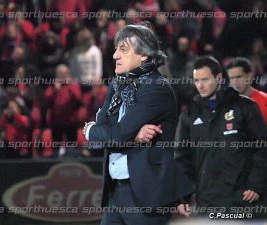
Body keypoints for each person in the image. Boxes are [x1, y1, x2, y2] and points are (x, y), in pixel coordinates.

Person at [83, 24, 194, 225]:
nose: (115, 55)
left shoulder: (156, 88)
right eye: (116, 48)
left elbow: (110, 133)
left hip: (144, 194)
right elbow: (106, 130)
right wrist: (131, 136)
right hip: (115, 193)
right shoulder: (117, 85)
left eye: (123, 49)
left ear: (144, 55)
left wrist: (91, 130)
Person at [175, 56, 267, 214]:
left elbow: (261, 148)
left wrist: (256, 185)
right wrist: (182, 196)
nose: (200, 85)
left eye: (205, 79)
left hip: (243, 200)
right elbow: (182, 158)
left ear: (218, 78)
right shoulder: (189, 115)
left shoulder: (245, 107)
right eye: (196, 80)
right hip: (207, 201)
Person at [226, 57, 267, 124]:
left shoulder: (265, 100)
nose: (235, 82)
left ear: (249, 76)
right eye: (232, 78)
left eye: (239, 77)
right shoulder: (226, 104)